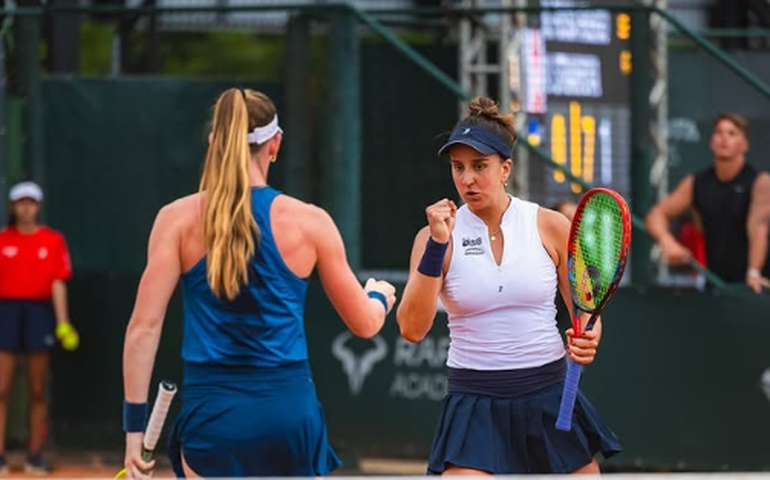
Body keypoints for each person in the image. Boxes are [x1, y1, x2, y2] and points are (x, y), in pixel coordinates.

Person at [120, 88, 397, 479]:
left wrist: (134, 432)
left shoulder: (176, 220)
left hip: (211, 418)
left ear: (215, 142)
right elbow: (365, 323)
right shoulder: (310, 222)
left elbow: (142, 330)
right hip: (288, 414)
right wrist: (379, 296)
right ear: (275, 145)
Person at [396, 97, 620, 475]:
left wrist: (590, 334)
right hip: (475, 402)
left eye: (479, 166)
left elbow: (587, 311)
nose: (467, 179)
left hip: (549, 395)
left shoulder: (550, 226)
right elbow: (412, 328)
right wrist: (437, 245)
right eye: (458, 167)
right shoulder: (434, 237)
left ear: (506, 169)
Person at [0, 181, 78, 475]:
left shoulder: (53, 241)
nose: (26, 208)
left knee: (36, 389)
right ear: (13, 207)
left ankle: (35, 455)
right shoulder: (2, 240)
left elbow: (58, 282)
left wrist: (62, 322)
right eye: (20, 203)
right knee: (1, 388)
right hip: (6, 314)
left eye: (31, 203)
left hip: (38, 315)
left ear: (38, 207)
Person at [645, 113, 770, 293]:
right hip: (716, 287)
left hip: (756, 288)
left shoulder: (761, 182)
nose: (724, 139)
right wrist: (666, 241)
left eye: (732, 133)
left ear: (744, 144)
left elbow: (759, 228)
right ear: (711, 142)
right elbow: (656, 215)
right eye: (718, 133)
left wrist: (753, 272)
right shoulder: (696, 182)